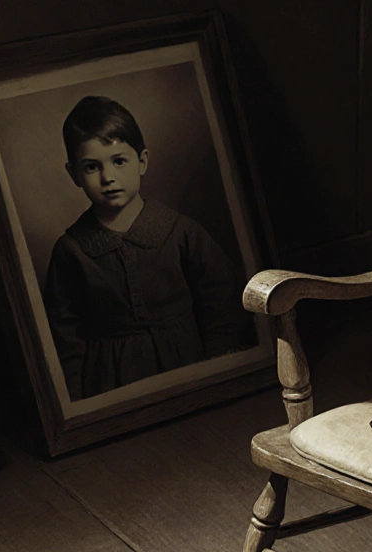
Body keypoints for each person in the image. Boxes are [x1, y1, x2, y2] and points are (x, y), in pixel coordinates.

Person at [43, 95, 253, 401]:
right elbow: (64, 339)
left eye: (119, 161)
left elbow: (224, 305)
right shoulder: (70, 250)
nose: (108, 177)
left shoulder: (180, 232)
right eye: (91, 167)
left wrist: (215, 370)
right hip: (109, 381)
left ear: (142, 161)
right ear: (74, 173)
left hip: (187, 365)